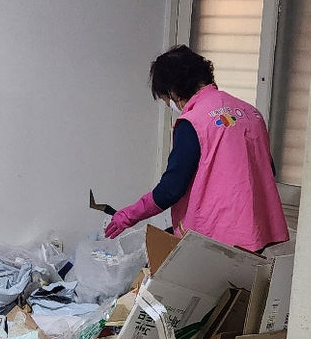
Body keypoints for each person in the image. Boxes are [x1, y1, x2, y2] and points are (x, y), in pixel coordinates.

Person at [105, 45, 288, 252]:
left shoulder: (193, 121)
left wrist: (128, 215)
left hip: (215, 238)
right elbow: (268, 170)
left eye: (167, 101)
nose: (172, 106)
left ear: (173, 91)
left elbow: (171, 188)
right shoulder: (251, 114)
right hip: (256, 234)